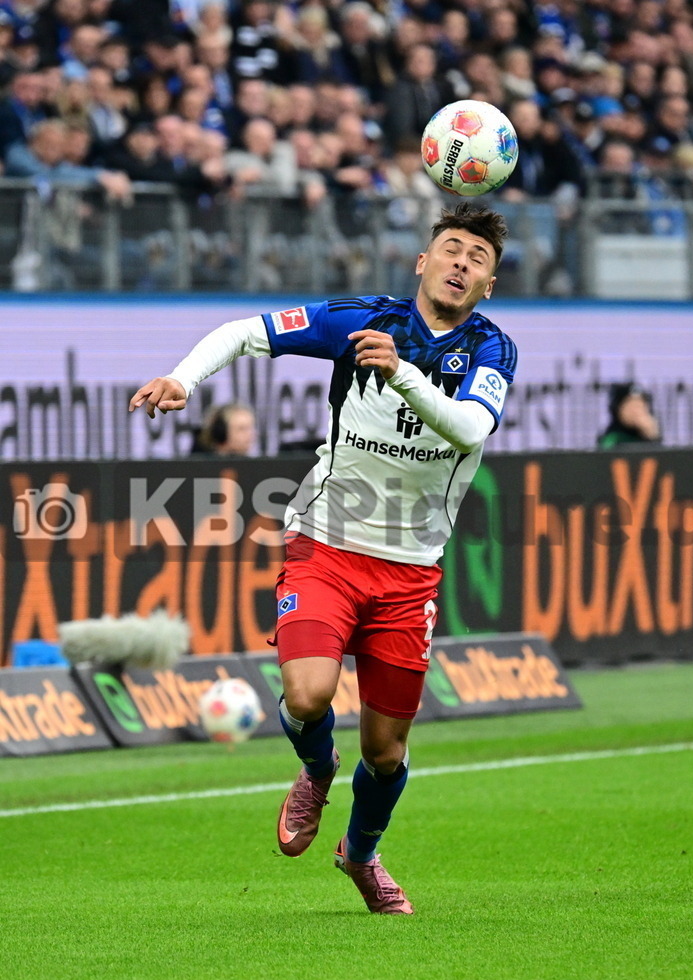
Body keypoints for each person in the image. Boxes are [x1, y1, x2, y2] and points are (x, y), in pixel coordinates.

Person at [129, 203, 518, 916]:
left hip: (409, 571)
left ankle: (361, 856)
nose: (462, 262)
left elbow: (468, 427)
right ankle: (315, 768)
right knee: (308, 696)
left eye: (478, 258)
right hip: (327, 545)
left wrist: (400, 374)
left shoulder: (493, 351)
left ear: (489, 283)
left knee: (387, 753)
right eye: (451, 249)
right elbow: (246, 333)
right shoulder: (362, 319)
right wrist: (185, 378)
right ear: (422, 262)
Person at [597, 382, 661, 448]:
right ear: (618, 409)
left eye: (641, 405)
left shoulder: (650, 435)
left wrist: (653, 436)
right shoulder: (612, 438)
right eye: (631, 406)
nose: (636, 411)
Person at [191, 402, 257, 455]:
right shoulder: (201, 468)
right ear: (221, 432)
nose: (250, 434)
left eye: (250, 428)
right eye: (241, 429)